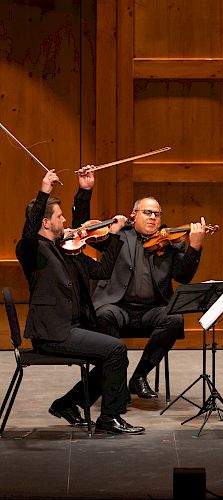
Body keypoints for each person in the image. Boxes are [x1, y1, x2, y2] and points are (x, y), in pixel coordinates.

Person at [16, 170, 144, 434]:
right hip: (52, 333)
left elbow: (102, 271)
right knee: (116, 350)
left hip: (70, 328)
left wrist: (114, 235)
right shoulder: (33, 251)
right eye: (60, 217)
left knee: (112, 356)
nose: (65, 221)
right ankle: (110, 418)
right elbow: (29, 229)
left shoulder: (66, 251)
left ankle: (68, 404)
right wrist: (44, 190)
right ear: (45, 223)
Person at [73, 169, 206, 399]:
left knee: (174, 319)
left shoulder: (170, 243)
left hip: (150, 311)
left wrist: (194, 247)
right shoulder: (117, 235)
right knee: (104, 315)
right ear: (133, 215)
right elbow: (82, 229)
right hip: (118, 307)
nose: (153, 217)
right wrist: (85, 191)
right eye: (147, 212)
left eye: (157, 214)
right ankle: (116, 383)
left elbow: (183, 277)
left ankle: (139, 376)